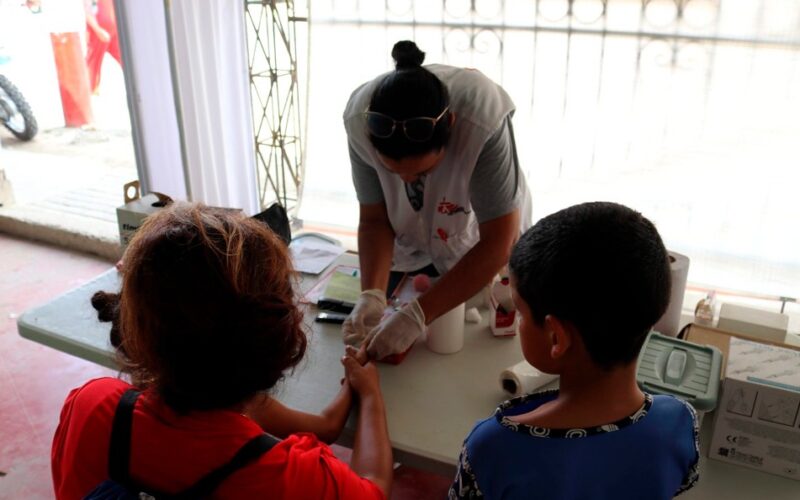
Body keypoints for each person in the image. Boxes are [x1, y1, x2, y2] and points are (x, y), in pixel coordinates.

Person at [52, 203, 392, 499]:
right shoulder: (290, 479)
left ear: (135, 330)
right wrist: (371, 394)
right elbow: (372, 486)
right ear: (278, 342)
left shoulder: (92, 407)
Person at [449, 202, 700, 499]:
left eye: (520, 312)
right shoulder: (680, 423)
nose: (518, 322)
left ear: (557, 337)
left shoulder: (495, 447)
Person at [342, 40, 532, 359]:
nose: (406, 182)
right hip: (418, 242)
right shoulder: (360, 122)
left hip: (476, 236)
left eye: (422, 171)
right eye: (392, 172)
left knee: (483, 322)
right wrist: (372, 294)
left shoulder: (483, 119)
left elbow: (499, 241)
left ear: (452, 128)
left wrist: (416, 316)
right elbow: (375, 220)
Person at [84, 0, 121, 94]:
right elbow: (86, 8)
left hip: (114, 28)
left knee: (127, 59)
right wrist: (98, 30)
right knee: (91, 70)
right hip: (99, 32)